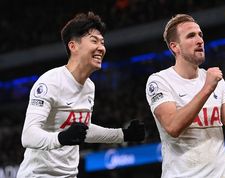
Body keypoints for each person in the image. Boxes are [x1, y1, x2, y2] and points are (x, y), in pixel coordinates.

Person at [17, 11, 145, 177]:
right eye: (94, 41)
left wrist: (123, 134)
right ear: (73, 46)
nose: (101, 48)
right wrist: (61, 138)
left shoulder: (89, 87)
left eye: (102, 42)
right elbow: (28, 136)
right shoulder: (50, 82)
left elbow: (84, 131)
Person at [145, 14, 225, 178]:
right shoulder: (159, 81)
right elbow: (172, 127)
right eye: (191, 36)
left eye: (200, 35)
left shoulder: (215, 81)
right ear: (175, 47)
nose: (200, 40)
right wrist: (207, 88)